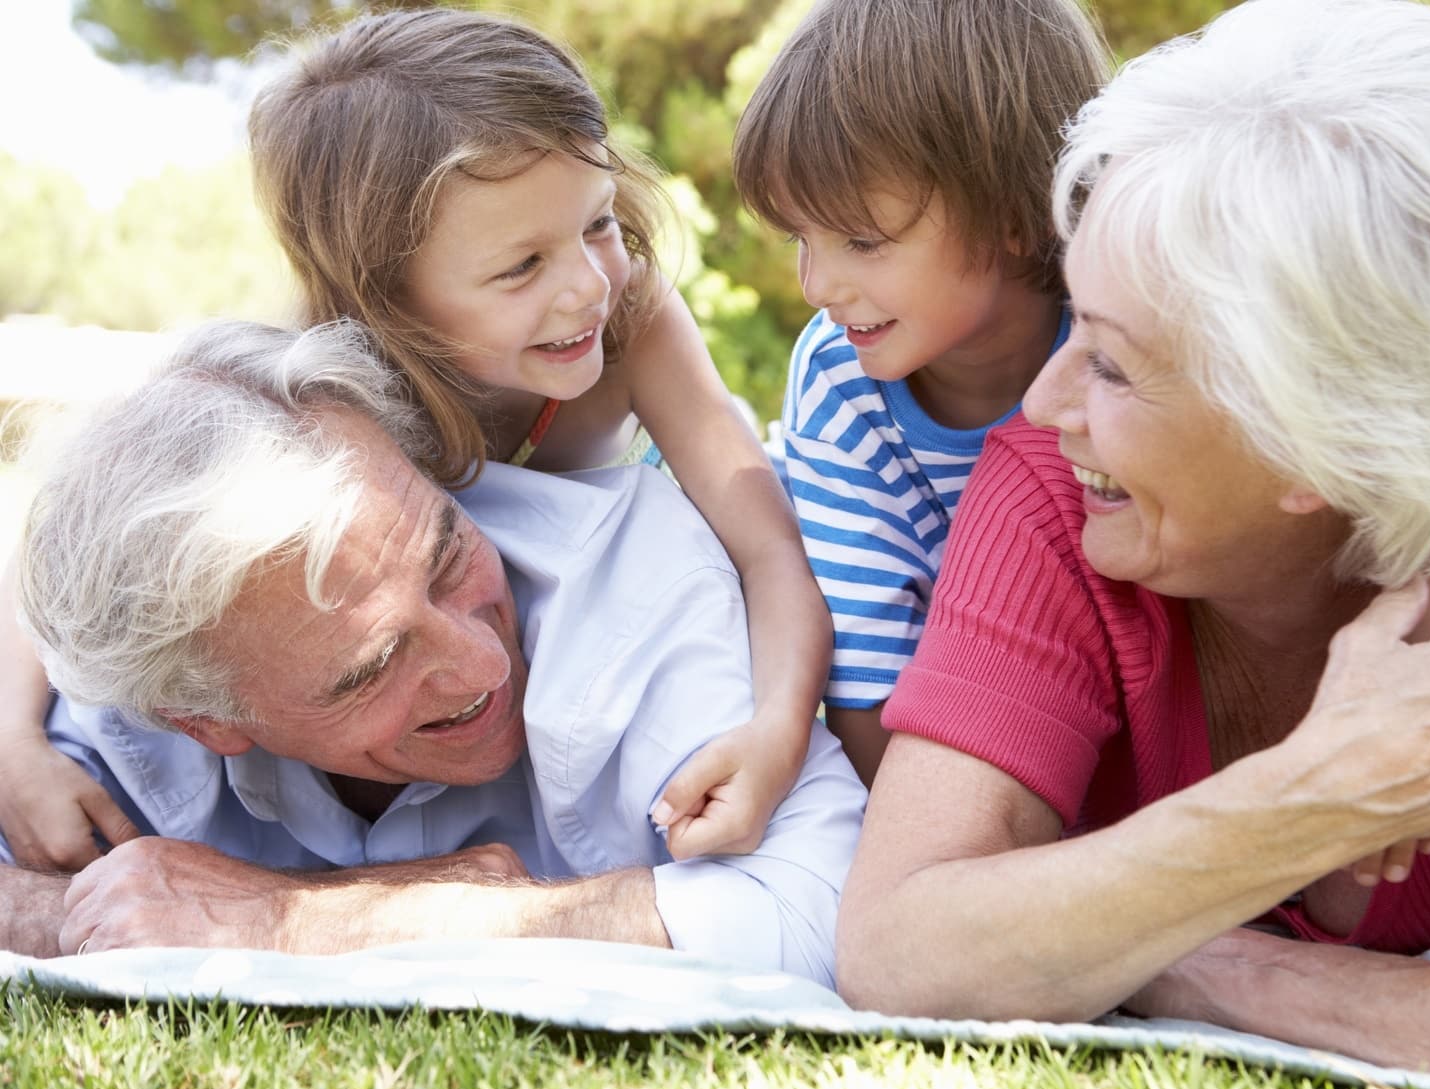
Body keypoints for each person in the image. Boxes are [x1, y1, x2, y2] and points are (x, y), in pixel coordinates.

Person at [836, 0, 1430, 1085]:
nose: (1046, 401)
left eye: (1106, 362)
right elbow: (897, 945)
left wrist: (1213, 970)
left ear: (1312, 439)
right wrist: (1309, 799)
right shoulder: (1055, 502)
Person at [0, 7, 832, 867]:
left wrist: (776, 730)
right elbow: (67, 547)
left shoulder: (632, 320)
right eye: (521, 266)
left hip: (642, 636)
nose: (589, 285)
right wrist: (14, 742)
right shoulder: (324, 375)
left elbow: (768, 547)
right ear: (384, 295)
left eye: (597, 222)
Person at [0, 319, 865, 988]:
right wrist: (82, 911)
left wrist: (288, 919)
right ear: (203, 719)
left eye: (449, 556)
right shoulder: (147, 666)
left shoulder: (641, 582)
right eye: (371, 665)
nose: (484, 665)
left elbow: (828, 913)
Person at [730, 0, 1112, 781]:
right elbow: (869, 684)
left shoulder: (1117, 337)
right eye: (801, 238)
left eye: (862, 241)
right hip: (951, 735)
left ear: (1012, 212)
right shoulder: (840, 382)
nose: (816, 285)